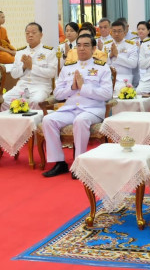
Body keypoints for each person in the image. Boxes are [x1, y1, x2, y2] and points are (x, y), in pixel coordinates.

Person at [42, 34, 113, 178]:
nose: (81, 48)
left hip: (92, 109)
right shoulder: (68, 68)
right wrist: (72, 87)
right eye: (79, 45)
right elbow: (57, 93)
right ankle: (59, 162)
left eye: (86, 45)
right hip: (71, 108)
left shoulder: (102, 67)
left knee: (80, 121)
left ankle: (79, 163)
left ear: (94, 49)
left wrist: (84, 87)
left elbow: (107, 94)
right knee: (48, 120)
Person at [1, 22, 57, 111]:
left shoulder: (49, 51)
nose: (30, 35)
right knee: (3, 101)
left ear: (41, 35)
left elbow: (51, 73)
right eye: (27, 33)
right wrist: (23, 67)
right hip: (21, 86)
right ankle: (11, 123)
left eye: (34, 33)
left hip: (40, 87)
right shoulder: (20, 52)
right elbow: (14, 74)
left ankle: (32, 124)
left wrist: (32, 66)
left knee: (35, 101)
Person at [104, 20, 138, 93]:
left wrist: (117, 56)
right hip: (107, 78)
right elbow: (101, 63)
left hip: (124, 78)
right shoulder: (106, 45)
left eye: (119, 31)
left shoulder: (131, 45)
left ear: (125, 33)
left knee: (119, 92)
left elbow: (133, 64)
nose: (116, 34)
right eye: (114, 31)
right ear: (111, 32)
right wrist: (110, 56)